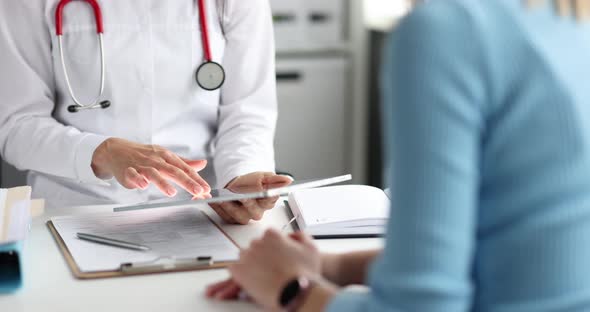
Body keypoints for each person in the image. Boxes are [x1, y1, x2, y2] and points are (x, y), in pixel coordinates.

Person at [207, 0, 590, 310]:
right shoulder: (565, 18)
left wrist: (291, 289)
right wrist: (333, 266)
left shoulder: (450, 31)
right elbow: (512, 247)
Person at [0, 0, 290, 224]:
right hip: (74, 210)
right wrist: (100, 152)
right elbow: (16, 125)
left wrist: (239, 178)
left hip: (203, 213)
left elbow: (247, 113)